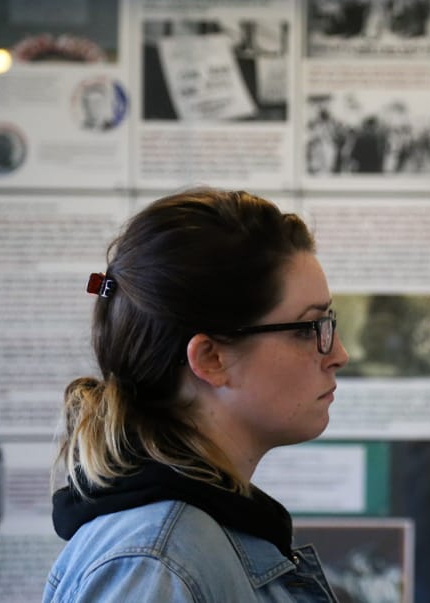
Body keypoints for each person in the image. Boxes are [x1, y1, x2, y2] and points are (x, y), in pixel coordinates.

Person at [43, 188, 349, 602]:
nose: (339, 355)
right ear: (211, 358)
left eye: (328, 323)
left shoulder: (186, 543)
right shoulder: (155, 565)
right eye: (308, 329)